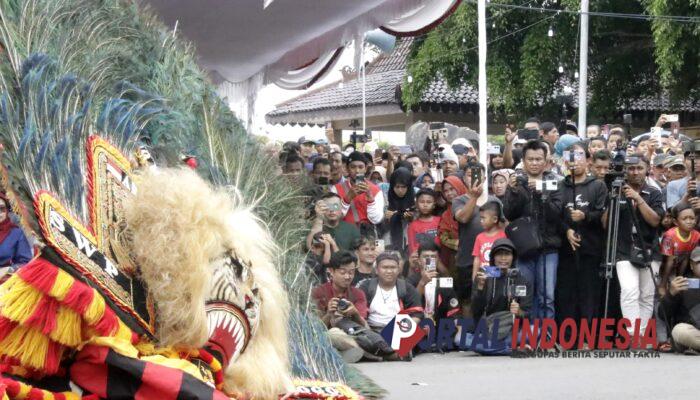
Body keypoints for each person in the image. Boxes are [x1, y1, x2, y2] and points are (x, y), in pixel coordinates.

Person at [502, 140, 563, 320]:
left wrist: (540, 192)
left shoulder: (554, 183)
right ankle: (526, 336)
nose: (535, 163)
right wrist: (514, 190)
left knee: (547, 297)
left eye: (538, 159)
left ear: (545, 161)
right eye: (531, 159)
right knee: (523, 296)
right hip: (523, 249)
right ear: (523, 160)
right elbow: (509, 214)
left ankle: (546, 337)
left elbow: (556, 214)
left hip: (548, 248)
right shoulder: (517, 182)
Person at [608, 155, 664, 336]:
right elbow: (605, 224)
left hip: (649, 249)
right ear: (625, 170)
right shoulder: (617, 190)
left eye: (639, 168)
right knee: (629, 291)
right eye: (631, 168)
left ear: (647, 168)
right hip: (623, 249)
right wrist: (613, 200)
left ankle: (641, 334)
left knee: (647, 295)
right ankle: (633, 334)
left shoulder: (655, 192)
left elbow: (655, 221)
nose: (635, 172)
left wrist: (638, 199)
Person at [556, 143, 608, 326]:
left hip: (591, 248)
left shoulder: (598, 186)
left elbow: (602, 213)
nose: (574, 161)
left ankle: (588, 338)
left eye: (578, 156)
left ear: (588, 160)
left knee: (589, 294)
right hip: (565, 249)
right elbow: (554, 215)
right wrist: (567, 230)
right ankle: (568, 337)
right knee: (566, 294)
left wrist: (585, 216)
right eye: (570, 157)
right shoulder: (559, 186)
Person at [469, 238, 532, 354]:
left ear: (513, 257)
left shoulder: (521, 280)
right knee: (461, 340)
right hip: (489, 328)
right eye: (499, 254)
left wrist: (519, 312)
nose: (503, 258)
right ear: (492, 257)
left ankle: (494, 347)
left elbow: (528, 312)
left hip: (513, 329)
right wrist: (480, 289)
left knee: (534, 332)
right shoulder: (483, 276)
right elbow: (475, 311)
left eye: (507, 254)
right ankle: (512, 349)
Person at [311, 251, 369, 363]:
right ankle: (367, 352)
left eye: (351, 272)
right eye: (343, 272)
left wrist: (355, 313)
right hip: (329, 336)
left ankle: (346, 353)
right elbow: (314, 329)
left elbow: (365, 327)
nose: (348, 276)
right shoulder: (318, 292)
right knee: (334, 333)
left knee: (362, 336)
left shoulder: (358, 293)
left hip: (353, 334)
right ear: (331, 271)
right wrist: (329, 314)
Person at [358, 252, 423, 332]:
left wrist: (401, 330)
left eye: (393, 267)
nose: (389, 271)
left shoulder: (407, 288)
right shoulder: (366, 287)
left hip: (400, 330)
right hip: (370, 330)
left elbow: (417, 314)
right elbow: (359, 313)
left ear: (398, 270)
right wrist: (369, 331)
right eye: (385, 267)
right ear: (377, 270)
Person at [659, 247, 700, 354]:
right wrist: (671, 294)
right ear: (691, 265)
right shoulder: (681, 284)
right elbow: (662, 314)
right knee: (679, 330)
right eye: (699, 262)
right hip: (693, 332)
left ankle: (695, 348)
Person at [331, 151, 384, 231]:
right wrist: (347, 199)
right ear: (347, 169)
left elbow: (376, 219)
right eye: (353, 167)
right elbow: (333, 215)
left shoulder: (376, 190)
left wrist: (371, 199)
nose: (357, 171)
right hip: (344, 235)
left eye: (360, 167)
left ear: (366, 169)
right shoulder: (335, 189)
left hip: (368, 238)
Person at [408, 243, 459, 325]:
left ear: (438, 260)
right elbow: (409, 306)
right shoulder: (410, 281)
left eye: (433, 257)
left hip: (440, 329)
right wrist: (422, 282)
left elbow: (453, 310)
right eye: (425, 257)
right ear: (419, 260)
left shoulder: (444, 282)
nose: (429, 260)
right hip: (416, 328)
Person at [659, 203, 700, 297]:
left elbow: (686, 257)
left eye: (692, 218)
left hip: (680, 263)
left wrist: (679, 278)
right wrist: (663, 285)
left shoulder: (696, 235)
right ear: (676, 222)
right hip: (665, 266)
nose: (689, 221)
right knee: (665, 290)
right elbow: (668, 262)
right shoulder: (670, 236)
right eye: (684, 219)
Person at [437, 175, 467, 276]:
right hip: (455, 259)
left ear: (459, 187)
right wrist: (459, 245)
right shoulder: (446, 215)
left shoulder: (473, 207)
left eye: (452, 189)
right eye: (445, 191)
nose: (449, 193)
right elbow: (443, 237)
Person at [471, 201, 507, 281]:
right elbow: (477, 259)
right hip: (481, 277)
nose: (481, 221)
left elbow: (504, 259)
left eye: (483, 218)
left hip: (497, 278)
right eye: (480, 218)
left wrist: (490, 275)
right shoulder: (479, 237)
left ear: (494, 219)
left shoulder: (502, 236)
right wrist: (474, 277)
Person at [0, 194, 32, 281]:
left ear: (6, 211)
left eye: (1, 209)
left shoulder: (16, 234)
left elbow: (26, 263)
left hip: (4, 285)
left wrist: (7, 269)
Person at [383, 167, 415, 252]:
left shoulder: (417, 201)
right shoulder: (384, 199)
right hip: (388, 245)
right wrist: (385, 218)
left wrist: (412, 218)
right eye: (397, 187)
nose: (400, 190)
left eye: (403, 187)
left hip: (411, 244)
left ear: (409, 186)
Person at [406, 189, 440, 256]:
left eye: (429, 202)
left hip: (442, 260)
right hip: (424, 262)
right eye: (422, 202)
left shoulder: (440, 221)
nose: (425, 205)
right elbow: (413, 250)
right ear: (417, 204)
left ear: (434, 204)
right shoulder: (413, 226)